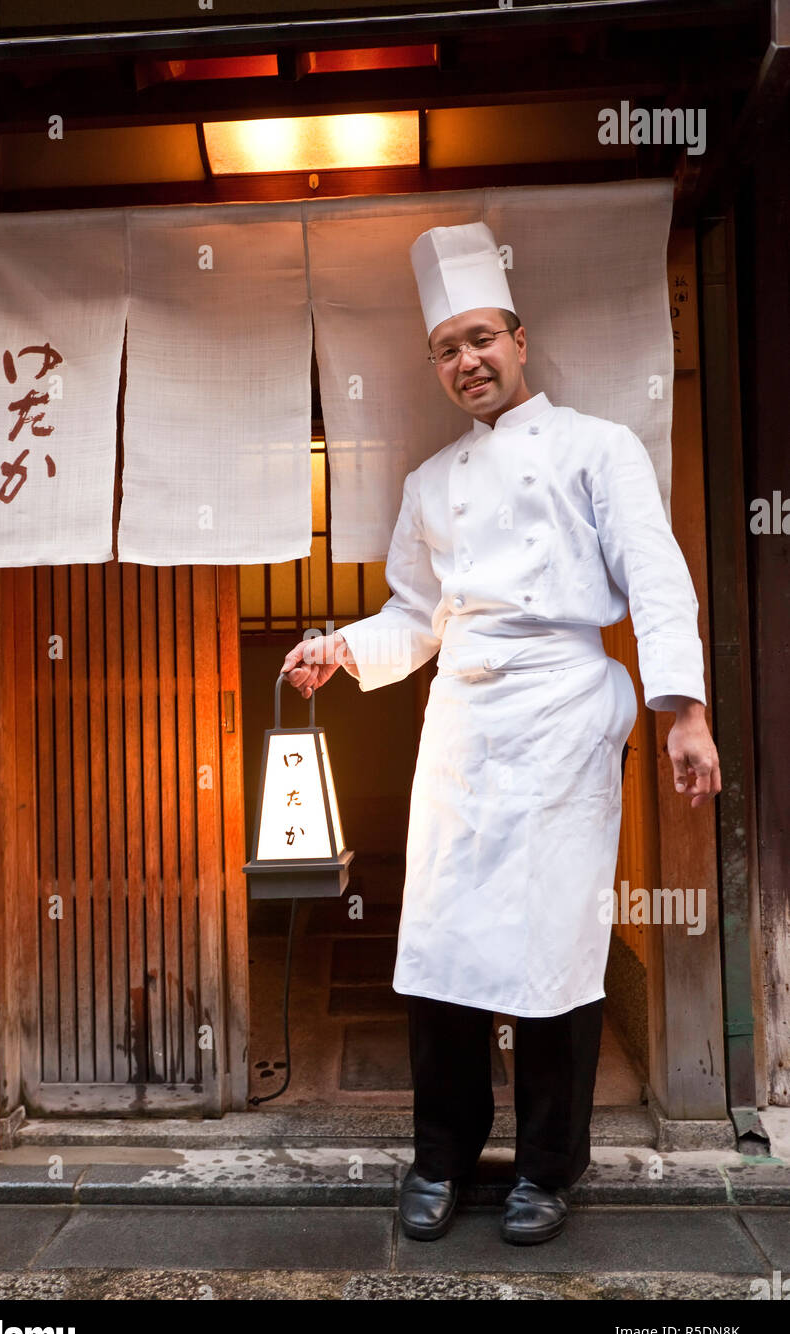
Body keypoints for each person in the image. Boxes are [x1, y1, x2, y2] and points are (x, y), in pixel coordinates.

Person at [280, 221, 721, 1245]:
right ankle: (439, 1154)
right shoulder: (428, 485)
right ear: (433, 364)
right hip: (465, 724)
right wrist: (339, 648)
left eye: (480, 338)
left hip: (565, 711)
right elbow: (410, 616)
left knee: (554, 947)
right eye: (445, 348)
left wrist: (683, 713)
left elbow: (654, 580)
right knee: (437, 943)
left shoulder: (597, 450)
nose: (465, 361)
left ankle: (547, 1167)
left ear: (518, 339)